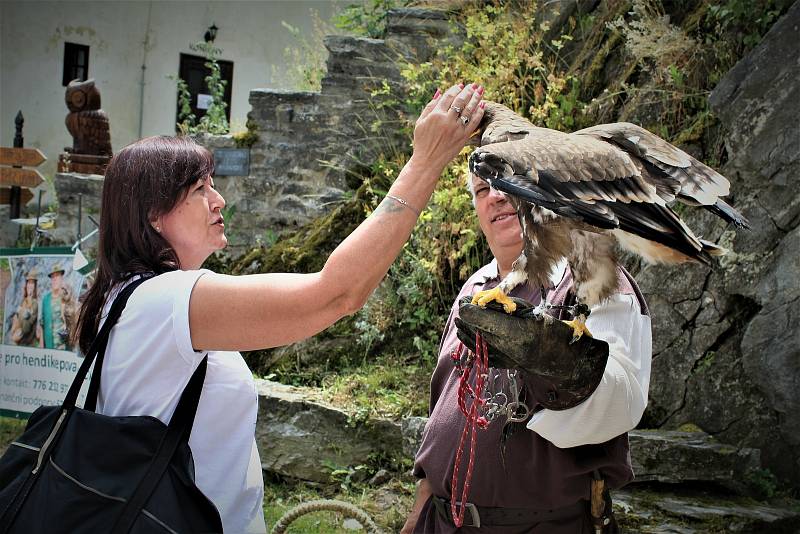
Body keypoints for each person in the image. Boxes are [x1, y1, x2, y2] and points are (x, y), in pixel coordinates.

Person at [72, 83, 485, 533]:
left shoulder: (129, 299)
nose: (219, 200)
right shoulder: (166, 301)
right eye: (199, 188)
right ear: (153, 214)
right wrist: (425, 162)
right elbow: (336, 293)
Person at [401, 174, 652, 533]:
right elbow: (444, 408)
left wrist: (552, 359)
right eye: (482, 189)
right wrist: (420, 509)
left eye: (508, 183)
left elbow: (623, 404)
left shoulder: (593, 280)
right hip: (441, 521)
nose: (497, 196)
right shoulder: (474, 289)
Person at [38, 263, 76, 350]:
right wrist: (41, 346)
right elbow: (42, 323)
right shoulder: (46, 299)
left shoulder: (67, 297)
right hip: (49, 346)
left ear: (61, 278)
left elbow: (73, 321)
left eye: (57, 276)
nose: (55, 279)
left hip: (64, 346)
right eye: (53, 277)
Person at [11, 269, 39, 347]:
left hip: (28, 345)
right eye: (28, 282)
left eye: (32, 283)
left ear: (35, 286)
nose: (30, 285)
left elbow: (26, 328)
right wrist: (13, 335)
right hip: (18, 343)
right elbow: (15, 320)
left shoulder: (35, 303)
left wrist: (21, 311)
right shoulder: (23, 301)